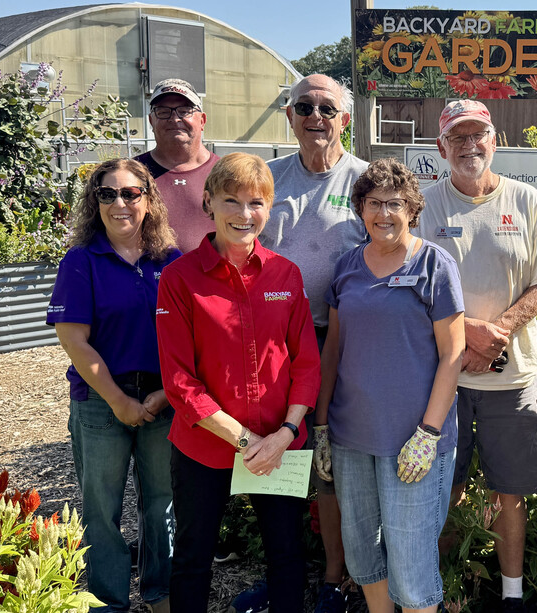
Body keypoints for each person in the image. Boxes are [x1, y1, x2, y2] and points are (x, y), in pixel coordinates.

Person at [417, 99, 537, 611]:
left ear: (494, 141)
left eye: (477, 135)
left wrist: (499, 330)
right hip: (446, 379)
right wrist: (470, 336)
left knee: (511, 491)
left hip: (512, 378)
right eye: (457, 138)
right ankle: (441, 589)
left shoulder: (524, 199)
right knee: (443, 487)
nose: (469, 145)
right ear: (441, 148)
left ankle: (511, 593)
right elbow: (412, 286)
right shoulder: (426, 205)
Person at [156, 152, 321, 613]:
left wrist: (285, 433)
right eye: (231, 200)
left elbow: (306, 363)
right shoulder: (179, 279)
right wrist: (249, 440)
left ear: (269, 209)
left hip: (279, 442)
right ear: (208, 202)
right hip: (206, 447)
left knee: (287, 554)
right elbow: (180, 381)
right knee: (193, 557)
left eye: (256, 203)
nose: (244, 215)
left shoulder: (285, 275)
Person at [314, 158, 465, 613]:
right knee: (363, 556)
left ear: (412, 209)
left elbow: (452, 356)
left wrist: (429, 432)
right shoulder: (346, 268)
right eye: (374, 203)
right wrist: (321, 427)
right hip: (350, 438)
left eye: (395, 204)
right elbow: (334, 352)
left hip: (412, 441)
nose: (384, 213)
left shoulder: (434, 264)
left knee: (414, 573)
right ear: (360, 209)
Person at [258, 72, 370, 613]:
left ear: (345, 118)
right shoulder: (268, 180)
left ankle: (335, 577)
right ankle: (284, 578)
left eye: (327, 109)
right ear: (290, 116)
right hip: (275, 341)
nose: (316, 118)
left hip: (345, 342)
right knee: (280, 457)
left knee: (331, 457)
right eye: (305, 107)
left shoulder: (367, 182)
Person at [47, 158, 180, 613]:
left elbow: (191, 337)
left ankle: (160, 592)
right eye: (107, 194)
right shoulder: (82, 261)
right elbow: (75, 341)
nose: (119, 203)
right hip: (101, 403)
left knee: (162, 500)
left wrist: (169, 393)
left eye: (130, 193)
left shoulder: (171, 262)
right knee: (101, 508)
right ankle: (108, 600)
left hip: (164, 400)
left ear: (148, 199)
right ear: (95, 202)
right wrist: (120, 401)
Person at [134, 78, 219, 252]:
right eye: (163, 111)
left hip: (213, 278)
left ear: (202, 120)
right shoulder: (131, 173)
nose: (174, 118)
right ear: (151, 121)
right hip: (145, 278)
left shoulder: (225, 172)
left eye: (185, 110)